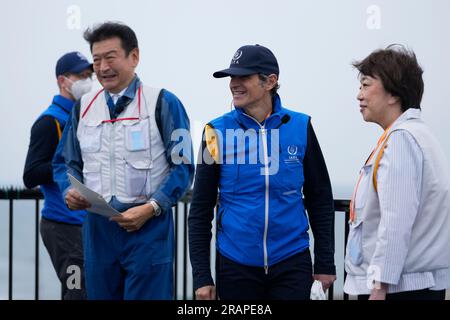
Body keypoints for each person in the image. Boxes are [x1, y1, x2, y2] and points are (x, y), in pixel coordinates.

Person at [53, 22, 194, 300]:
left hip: (148, 230)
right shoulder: (83, 108)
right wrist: (69, 189)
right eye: (96, 60)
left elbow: (184, 166)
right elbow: (64, 162)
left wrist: (152, 207)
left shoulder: (164, 103)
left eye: (110, 57)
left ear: (134, 57)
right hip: (98, 231)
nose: (103, 67)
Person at [188, 44, 336, 300]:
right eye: (231, 77)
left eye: (243, 76)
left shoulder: (301, 126)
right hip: (236, 264)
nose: (234, 83)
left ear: (270, 81)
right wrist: (202, 276)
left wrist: (325, 263)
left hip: (292, 261)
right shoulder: (215, 131)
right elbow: (200, 208)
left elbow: (319, 197)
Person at [344, 45, 450, 300]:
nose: (359, 95)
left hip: (398, 288)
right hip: (415, 283)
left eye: (366, 85)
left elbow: (396, 222)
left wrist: (379, 286)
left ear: (393, 94)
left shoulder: (402, 140)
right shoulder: (419, 135)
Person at [23, 51, 94, 299]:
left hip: (83, 222)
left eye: (89, 75)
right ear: (62, 80)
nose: (87, 81)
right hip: (62, 224)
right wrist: (71, 167)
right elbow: (30, 174)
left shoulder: (81, 117)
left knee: (91, 289)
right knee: (78, 290)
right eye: (81, 76)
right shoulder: (49, 122)